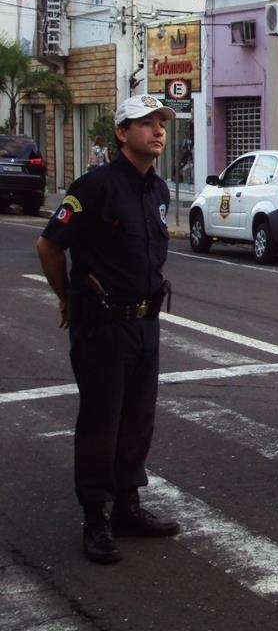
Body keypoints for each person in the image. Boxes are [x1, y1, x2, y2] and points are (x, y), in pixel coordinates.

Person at [35, 94, 180, 565]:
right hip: (102, 325)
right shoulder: (94, 187)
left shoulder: (158, 191)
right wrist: (66, 296)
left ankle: (127, 507)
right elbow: (48, 245)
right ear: (122, 133)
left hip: (145, 322)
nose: (157, 130)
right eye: (146, 123)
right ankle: (95, 517)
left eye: (161, 123)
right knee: (102, 421)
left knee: (138, 419)